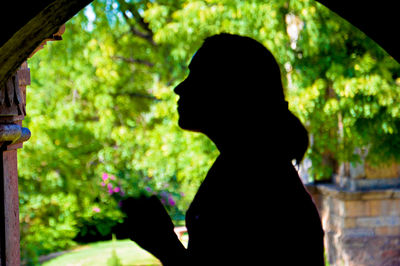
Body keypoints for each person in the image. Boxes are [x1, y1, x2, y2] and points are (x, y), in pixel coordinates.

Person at [121, 33, 325, 265]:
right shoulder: (243, 171)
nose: (179, 88)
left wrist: (163, 243)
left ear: (230, 90)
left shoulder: (255, 186)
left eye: (196, 77)